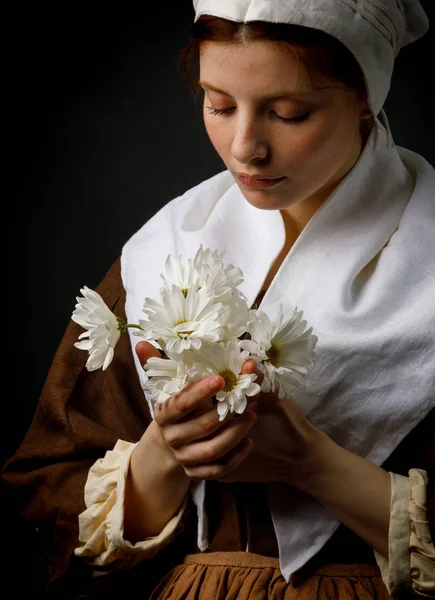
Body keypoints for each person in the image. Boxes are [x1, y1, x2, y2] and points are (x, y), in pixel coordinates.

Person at [2, 0, 434, 598]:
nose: (244, 147)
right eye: (219, 105)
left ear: (366, 96)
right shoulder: (163, 251)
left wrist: (310, 463)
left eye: (288, 112)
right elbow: (43, 495)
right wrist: (164, 456)